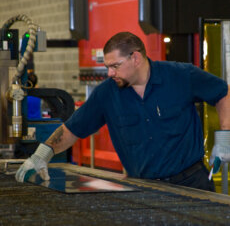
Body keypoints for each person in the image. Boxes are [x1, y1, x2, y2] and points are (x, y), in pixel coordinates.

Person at [15, 32, 230, 192]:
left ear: (135, 58)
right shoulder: (106, 94)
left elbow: (223, 93)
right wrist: (42, 154)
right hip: (143, 189)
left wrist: (225, 137)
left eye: (115, 66)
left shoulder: (181, 76)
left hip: (192, 184)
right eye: (108, 66)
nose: (110, 73)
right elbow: (73, 129)